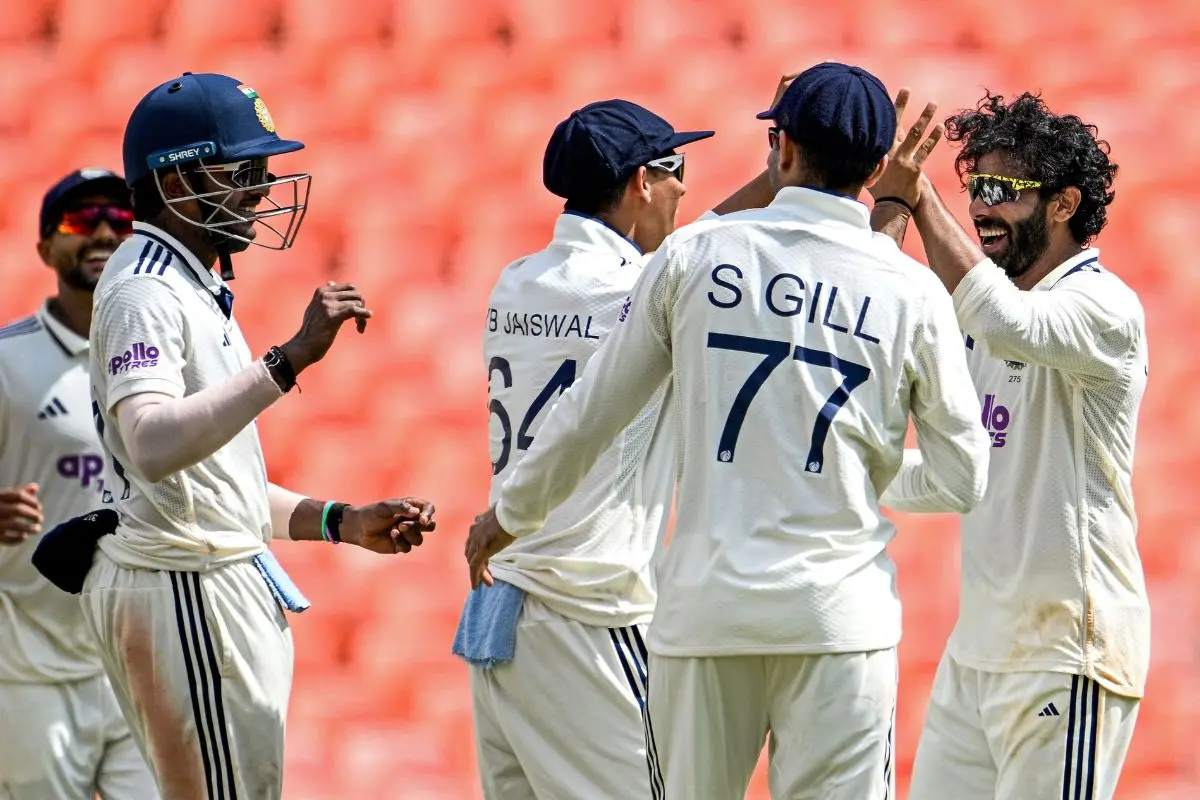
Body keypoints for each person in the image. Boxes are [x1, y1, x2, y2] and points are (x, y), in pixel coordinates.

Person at [466, 62, 990, 799]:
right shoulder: (911, 290)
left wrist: (509, 513)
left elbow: (591, 413)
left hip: (702, 616)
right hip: (836, 621)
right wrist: (856, 466)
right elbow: (964, 478)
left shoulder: (681, 259)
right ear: (875, 168)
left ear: (780, 150)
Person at [56, 73, 437, 800]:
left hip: (202, 578)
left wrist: (338, 522)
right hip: (182, 587)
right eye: (244, 171)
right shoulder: (145, 291)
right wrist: (287, 361)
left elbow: (207, 491)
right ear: (176, 181)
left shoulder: (190, 281)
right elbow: (152, 444)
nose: (262, 190)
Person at [454, 85, 785, 800]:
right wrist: (785, 178)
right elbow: (695, 259)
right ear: (642, 180)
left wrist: (769, 179)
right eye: (676, 175)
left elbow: (676, 260)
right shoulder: (633, 294)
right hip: (590, 619)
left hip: (502, 617)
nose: (682, 193)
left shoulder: (515, 282)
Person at [877, 91, 1149, 800]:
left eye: (1004, 191)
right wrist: (851, 471)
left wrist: (917, 199)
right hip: (978, 658)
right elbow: (954, 478)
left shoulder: (1104, 307)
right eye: (976, 189)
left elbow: (1010, 324)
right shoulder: (982, 317)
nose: (982, 209)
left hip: (1067, 654)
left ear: (1063, 204)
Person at [0, 169, 157, 798]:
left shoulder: (166, 353)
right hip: (30, 670)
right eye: (78, 220)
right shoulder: (8, 360)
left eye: (119, 220)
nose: (99, 231)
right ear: (44, 248)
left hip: (142, 665)